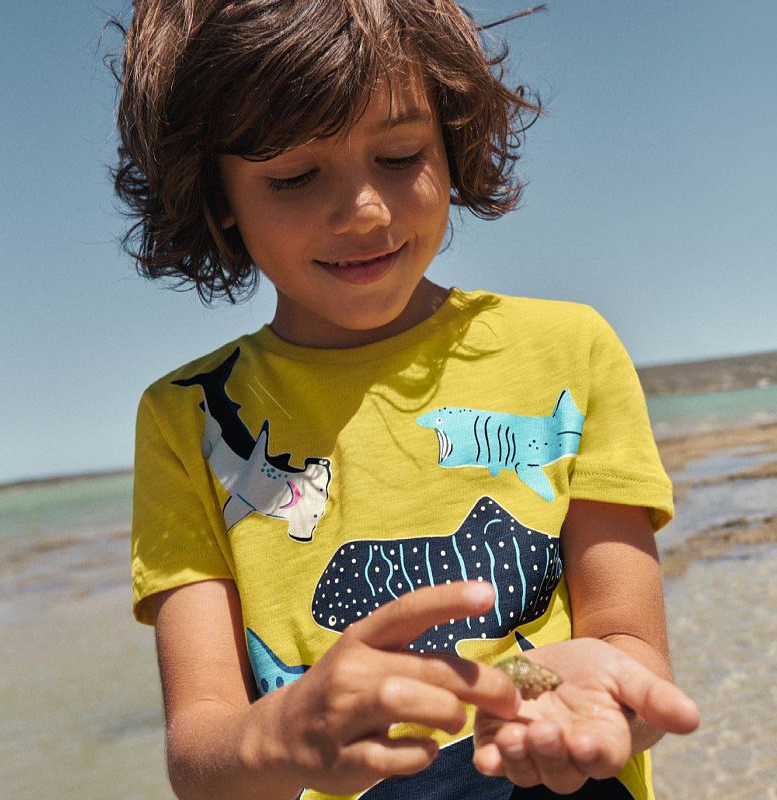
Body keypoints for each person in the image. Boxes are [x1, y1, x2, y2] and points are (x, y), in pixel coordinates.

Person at [114, 2, 700, 798]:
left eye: (399, 155)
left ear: (451, 140)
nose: (365, 209)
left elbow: (627, 640)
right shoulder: (186, 417)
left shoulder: (569, 348)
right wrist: (278, 735)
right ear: (218, 196)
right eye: (292, 176)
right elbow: (202, 753)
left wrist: (594, 696)